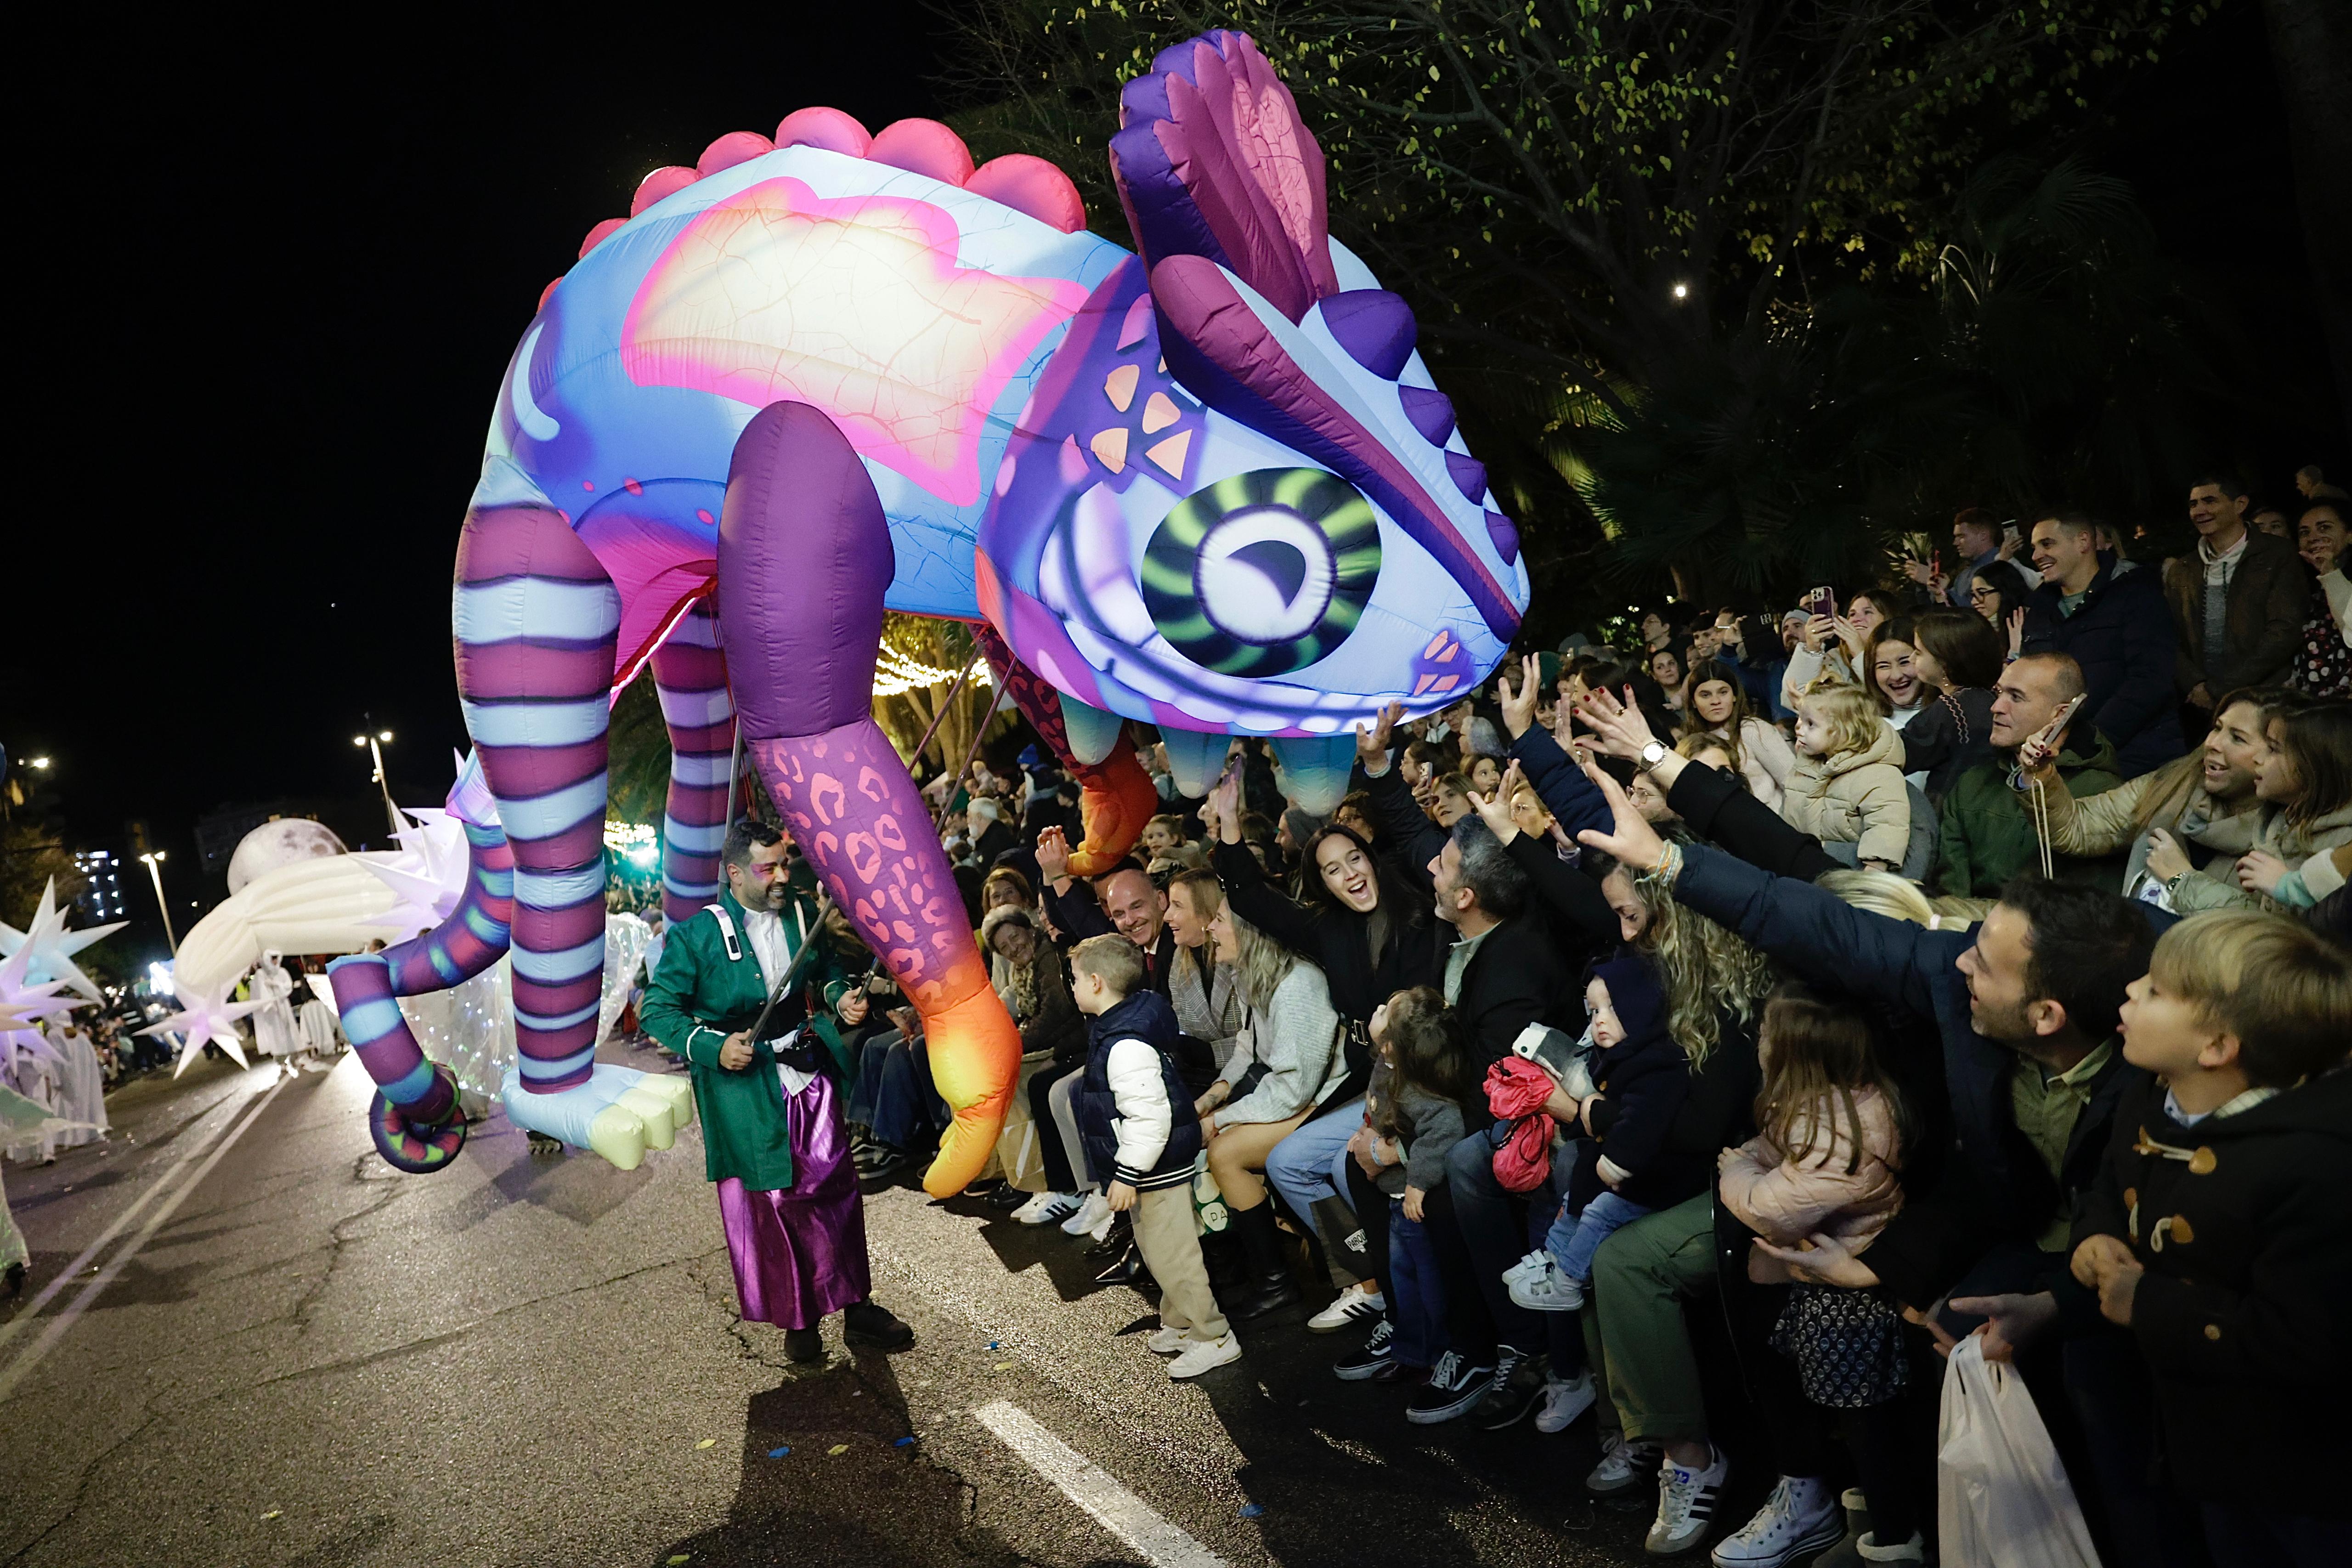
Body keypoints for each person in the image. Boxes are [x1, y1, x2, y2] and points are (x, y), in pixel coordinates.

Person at [2069, 911, 2351, 1567]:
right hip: (2204, 1443)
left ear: (2218, 1047)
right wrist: (2098, 1233)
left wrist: (2147, 1301)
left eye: (2159, 991)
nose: (2133, 989)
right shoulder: (2149, 1092)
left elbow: (2304, 1339)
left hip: (2303, 1471)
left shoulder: (2319, 1164)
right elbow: (2112, 1182)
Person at [639, 818, 912, 1363]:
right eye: (769, 868)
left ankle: (857, 1307)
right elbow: (656, 1008)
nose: (782, 875)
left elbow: (827, 970)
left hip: (807, 1069)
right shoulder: (696, 936)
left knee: (836, 1187)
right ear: (736, 873)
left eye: (784, 862)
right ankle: (800, 1318)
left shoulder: (802, 914)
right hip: (744, 1087)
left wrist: (840, 998)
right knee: (774, 1202)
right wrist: (710, 1045)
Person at [1710, 983, 1919, 1568]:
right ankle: (1865, 1520)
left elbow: (1768, 1207)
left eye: (1769, 1034)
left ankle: (1892, 1539)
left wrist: (1736, 1171)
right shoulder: (1823, 1103)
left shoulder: (1847, 1133)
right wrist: (1755, 1163)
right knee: (1848, 1417)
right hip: (1819, 1284)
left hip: (1847, 1301)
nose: (1759, 1041)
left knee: (1864, 1422)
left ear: (1796, 1053)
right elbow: (1771, 1149)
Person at [1069, 934, 1241, 1379]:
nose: (1071, 987)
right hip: (1151, 1168)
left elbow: (1150, 1119)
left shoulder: (1124, 1044)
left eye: (1073, 979)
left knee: (1176, 1257)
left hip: (1155, 1169)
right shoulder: (1116, 1028)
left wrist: (1126, 1174)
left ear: (1095, 981)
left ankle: (1214, 1335)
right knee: (1158, 1251)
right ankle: (1181, 1323)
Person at [1507, 955, 1688, 1315]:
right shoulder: (1621, 1056)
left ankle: (1568, 1280)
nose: (1599, 1019)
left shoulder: (1658, 1064)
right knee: (1576, 1195)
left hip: (1657, 1178)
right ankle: (1555, 1257)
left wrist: (1616, 1165)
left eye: (1612, 1008)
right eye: (1593, 1011)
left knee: (1601, 1209)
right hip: (1627, 1167)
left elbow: (1641, 1125)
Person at [1200, 892, 1348, 1319]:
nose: (1211, 928)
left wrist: (1221, 1119)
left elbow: (1292, 1090)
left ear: (1251, 931)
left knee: (1224, 1151)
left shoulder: (1297, 985)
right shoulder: (1255, 975)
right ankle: (1269, 1274)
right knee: (1221, 1140)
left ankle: (1282, 1281)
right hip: (1304, 1094)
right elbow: (1248, 1047)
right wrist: (1213, 1097)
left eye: (1220, 918)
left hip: (1327, 1099)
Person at [2022, 688, 2273, 910]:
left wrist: (2181, 879)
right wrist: (2042, 776)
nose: (2213, 744)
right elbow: (2077, 828)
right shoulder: (2177, 782)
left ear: (2278, 756)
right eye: (2217, 728)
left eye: (2237, 738)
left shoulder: (2293, 832)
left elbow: (2266, 932)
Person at [1353, 987, 1473, 1387]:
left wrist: (1418, 1185)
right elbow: (1377, 1105)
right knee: (1403, 1277)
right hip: (1393, 1198)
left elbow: (1444, 1128)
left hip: (1410, 1203)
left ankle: (1439, 1353)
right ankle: (1411, 1351)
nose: (1378, 1009)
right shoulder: (1389, 1065)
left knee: (1425, 1282)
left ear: (1392, 1046)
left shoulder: (1420, 1090)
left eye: (1385, 1012)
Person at [1934, 651, 2123, 895]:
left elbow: (2091, 905)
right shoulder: (1973, 782)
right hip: (1965, 926)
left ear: (2060, 715)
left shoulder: (2102, 793)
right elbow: (1949, 889)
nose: (1996, 707)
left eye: (2016, 697)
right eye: (1999, 692)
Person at [2018, 509, 2184, 779]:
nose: (2036, 556)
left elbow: (2151, 679)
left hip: (2138, 761)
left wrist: (2089, 742)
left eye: (2047, 544)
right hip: (2060, 762)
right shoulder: (2038, 611)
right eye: (2034, 548)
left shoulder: (2136, 595)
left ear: (2083, 542)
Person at [2163, 473, 2308, 712]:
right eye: (2193, 504)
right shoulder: (2182, 570)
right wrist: (2194, 684)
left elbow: (2285, 629)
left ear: (2240, 505)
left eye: (2210, 501)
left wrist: (2220, 689)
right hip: (2199, 703)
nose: (2199, 511)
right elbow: (2167, 635)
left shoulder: (2278, 555)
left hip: (2265, 700)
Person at [2226, 698, 2352, 911]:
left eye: (2274, 750)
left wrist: (2287, 887)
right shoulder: (2279, 819)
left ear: (2315, 767)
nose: (2258, 758)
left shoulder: (2343, 841)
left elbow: (2327, 934)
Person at [1781, 682, 1911, 873]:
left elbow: (1887, 825)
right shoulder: (1806, 765)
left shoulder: (1880, 775)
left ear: (1844, 731)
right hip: (1801, 868)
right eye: (1800, 719)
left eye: (1811, 724)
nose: (1799, 728)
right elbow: (1788, 812)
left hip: (1848, 875)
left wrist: (1873, 870)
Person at [1893, 606, 2002, 810]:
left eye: (1918, 652)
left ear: (1944, 661)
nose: (1912, 659)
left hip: (1953, 814)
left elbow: (1898, 752)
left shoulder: (1951, 709)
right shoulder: (1991, 696)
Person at [1680, 659, 1794, 811]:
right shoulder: (1691, 744)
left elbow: (1793, 783)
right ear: (1694, 702)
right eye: (1706, 695)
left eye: (1723, 692)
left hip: (1775, 820)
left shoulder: (1753, 729)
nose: (1716, 701)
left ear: (1734, 696)